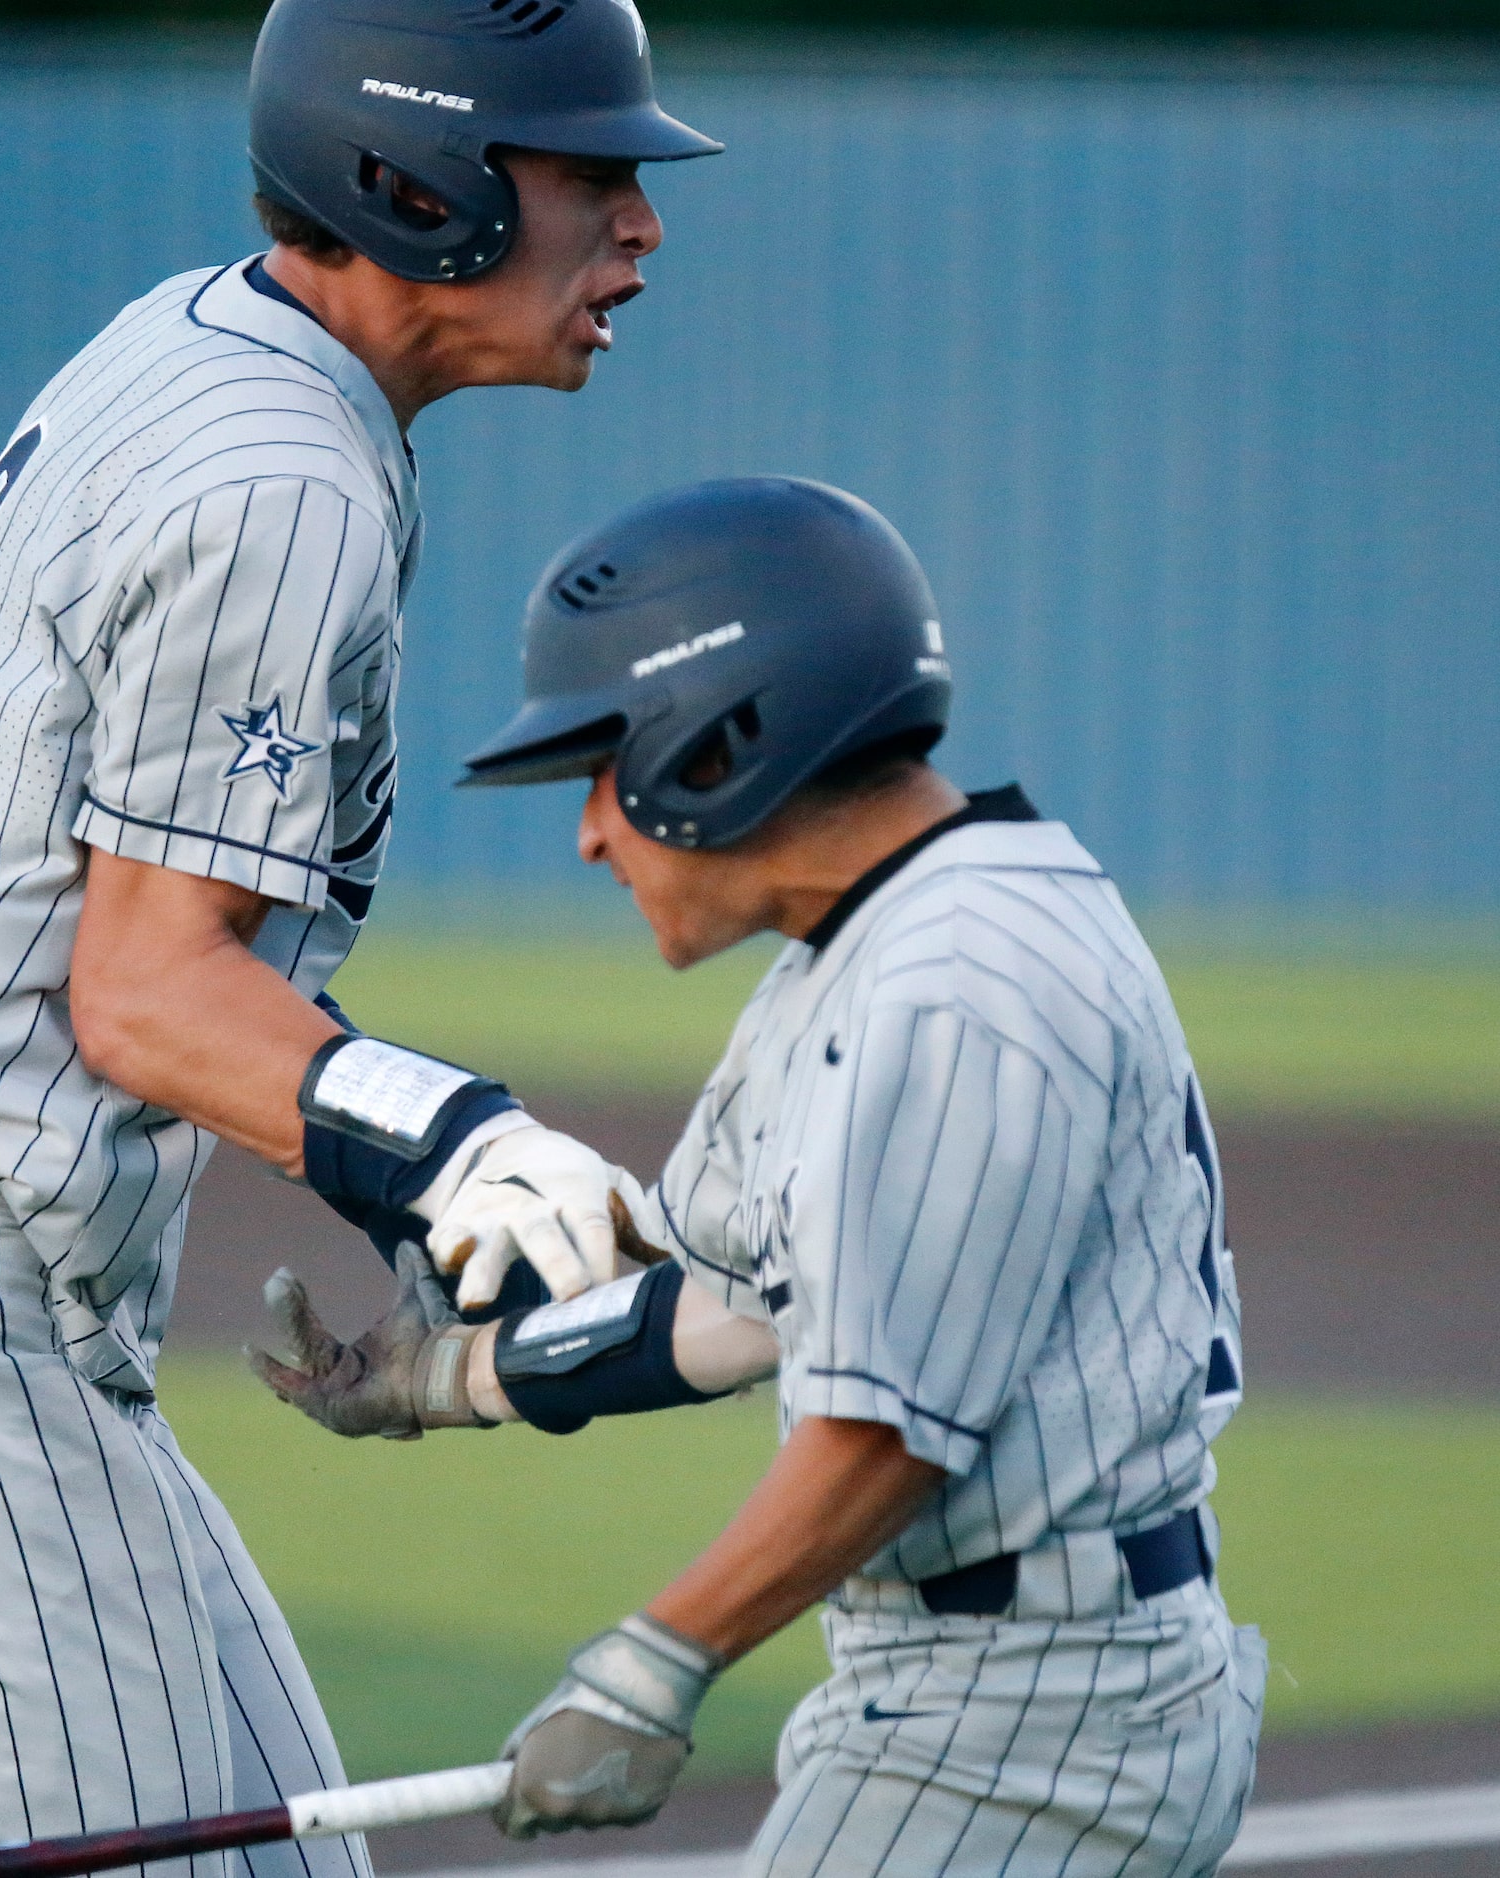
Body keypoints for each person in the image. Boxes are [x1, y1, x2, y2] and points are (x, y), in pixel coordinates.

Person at [0, 0, 719, 1864]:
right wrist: (456, 1144)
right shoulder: (279, 474)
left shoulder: (227, 354)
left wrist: (401, 1182)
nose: (640, 226)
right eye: (592, 173)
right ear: (419, 185)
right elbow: (147, 990)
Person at [252, 477, 1268, 1878]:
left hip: (1038, 1723)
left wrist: (651, 1668)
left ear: (721, 742)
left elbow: (890, 1433)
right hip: (994, 1687)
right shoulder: (883, 943)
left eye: (603, 771)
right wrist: (445, 1379)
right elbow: (736, 1304)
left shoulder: (955, 981)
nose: (590, 835)